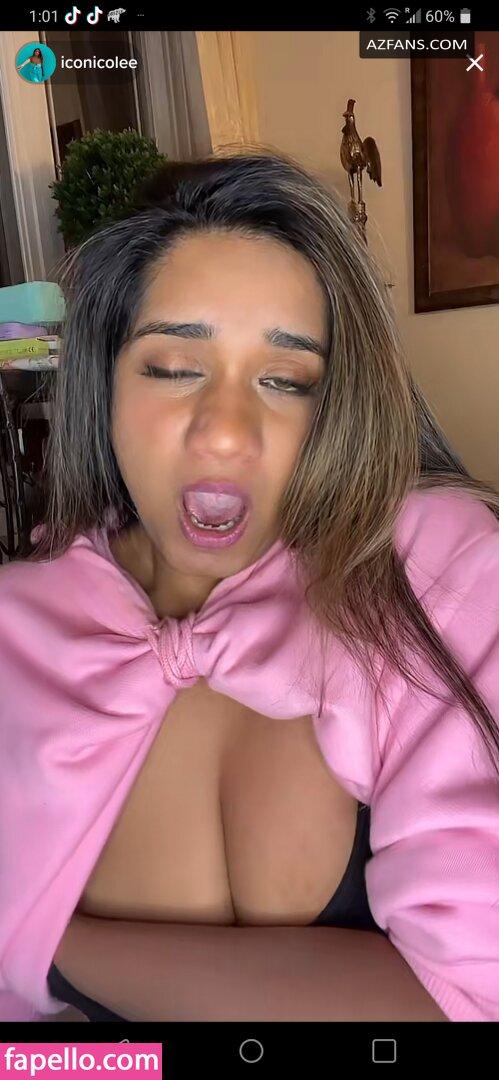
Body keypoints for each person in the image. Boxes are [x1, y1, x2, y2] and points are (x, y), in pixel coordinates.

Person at [0, 148, 498, 1024]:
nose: (226, 431)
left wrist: (48, 943)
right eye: (172, 367)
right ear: (104, 380)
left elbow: (471, 997)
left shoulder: (434, 567)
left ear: (335, 405)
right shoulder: (17, 629)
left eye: (285, 380)